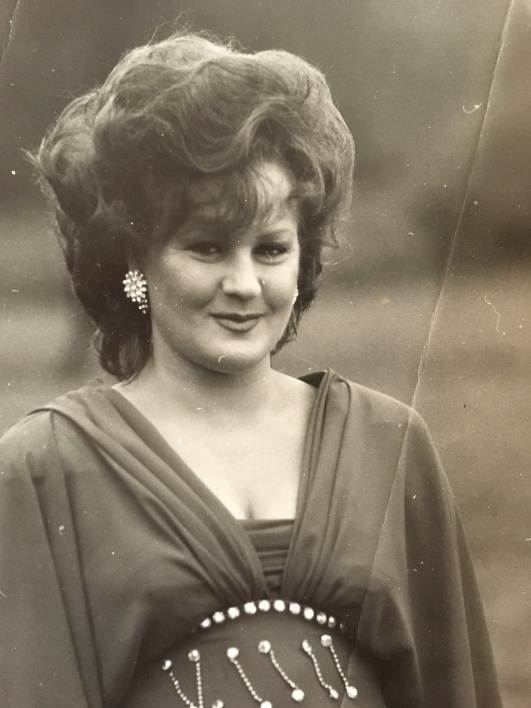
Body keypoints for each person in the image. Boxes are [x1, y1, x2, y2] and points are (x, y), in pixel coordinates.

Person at [0, 31, 501, 708]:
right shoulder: (44, 468)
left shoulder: (390, 443)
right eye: (206, 247)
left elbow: (455, 688)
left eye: (270, 249)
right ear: (134, 259)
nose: (243, 284)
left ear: (303, 259)